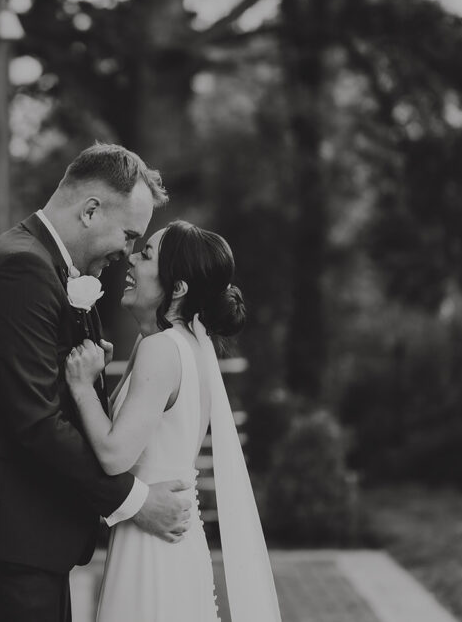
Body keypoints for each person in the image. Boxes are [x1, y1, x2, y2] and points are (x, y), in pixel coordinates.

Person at [0, 144, 194, 622]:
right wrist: (135, 501)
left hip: (24, 544)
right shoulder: (20, 270)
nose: (127, 252)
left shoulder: (43, 266)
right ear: (90, 210)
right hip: (1, 547)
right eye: (128, 235)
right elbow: (36, 421)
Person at [65, 220, 282, 622]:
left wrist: (80, 388)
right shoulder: (179, 345)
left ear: (178, 288)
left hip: (151, 546)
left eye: (147, 255)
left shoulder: (162, 349)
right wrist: (97, 380)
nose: (131, 259)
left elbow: (113, 454)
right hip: (168, 536)